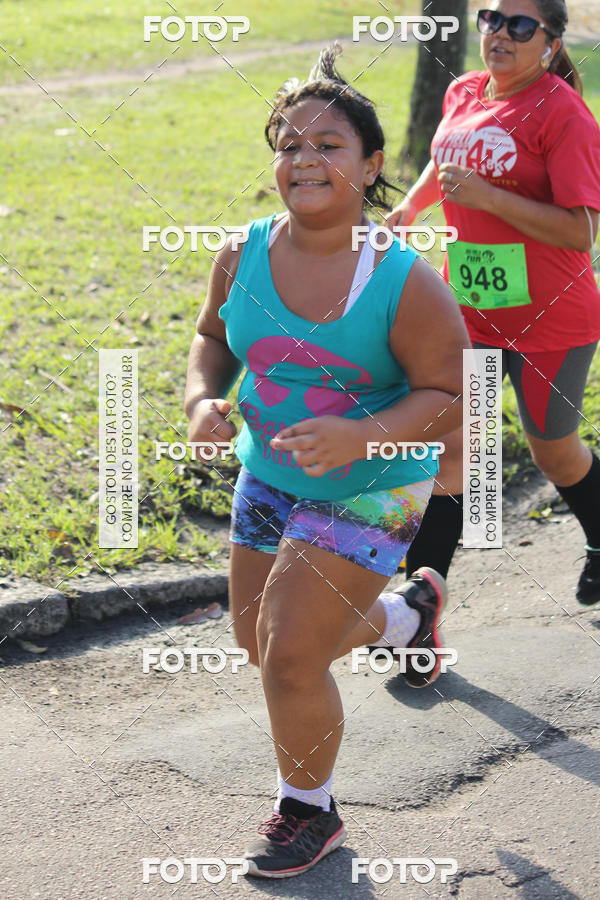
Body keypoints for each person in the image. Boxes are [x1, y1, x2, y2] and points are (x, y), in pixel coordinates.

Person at [184, 45, 469, 878]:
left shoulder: (402, 279)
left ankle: (308, 811)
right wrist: (202, 399)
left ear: (371, 164)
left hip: (374, 485)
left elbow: (453, 395)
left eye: (329, 145)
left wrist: (362, 436)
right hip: (269, 474)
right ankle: (409, 618)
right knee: (256, 639)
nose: (305, 159)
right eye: (290, 144)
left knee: (292, 656)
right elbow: (210, 341)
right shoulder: (242, 252)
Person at [387, 0, 600, 605]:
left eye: (521, 25)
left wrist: (490, 198)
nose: (501, 33)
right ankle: (418, 606)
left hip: (550, 320)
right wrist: (412, 206)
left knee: (554, 454)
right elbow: (445, 159)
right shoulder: (464, 91)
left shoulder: (565, 115)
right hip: (468, 312)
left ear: (551, 44)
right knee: (452, 449)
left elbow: (583, 231)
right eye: (491, 19)